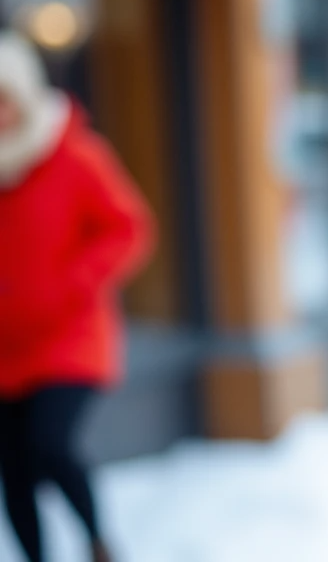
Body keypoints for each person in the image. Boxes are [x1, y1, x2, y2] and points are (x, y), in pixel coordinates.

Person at [0, 31, 155, 562]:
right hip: (6, 346)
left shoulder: (74, 153)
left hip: (69, 336)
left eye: (4, 99)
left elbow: (129, 228)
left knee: (50, 444)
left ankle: (97, 540)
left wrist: (74, 282)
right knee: (12, 467)